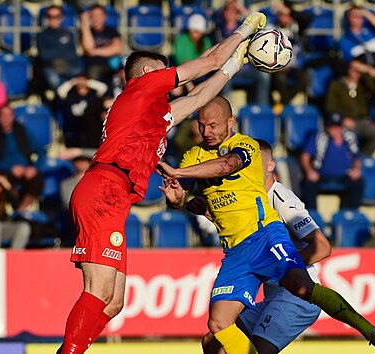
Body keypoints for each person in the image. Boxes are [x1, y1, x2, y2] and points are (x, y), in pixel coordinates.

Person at [56, 11, 268, 354]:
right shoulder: (141, 88)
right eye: (163, 70)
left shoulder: (152, 113)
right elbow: (208, 60)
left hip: (114, 195)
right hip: (104, 189)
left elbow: (200, 97)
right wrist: (244, 31)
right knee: (98, 292)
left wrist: (236, 64)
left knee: (113, 303)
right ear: (145, 74)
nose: (170, 77)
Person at [158, 96, 375, 354]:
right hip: (237, 253)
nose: (206, 131)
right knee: (215, 332)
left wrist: (281, 265)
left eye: (213, 125)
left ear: (231, 122)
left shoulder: (247, 148)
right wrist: (178, 199)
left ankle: (370, 331)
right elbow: (183, 194)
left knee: (301, 288)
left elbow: (226, 165)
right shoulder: (193, 156)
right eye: (201, 126)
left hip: (266, 241)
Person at [198, 138, 331, 354]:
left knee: (258, 351)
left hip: (295, 297)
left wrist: (281, 267)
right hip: (273, 297)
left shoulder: (282, 200)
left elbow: (323, 247)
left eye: (257, 162)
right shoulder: (247, 197)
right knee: (213, 342)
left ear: (271, 166)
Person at [0, 104, 45, 211]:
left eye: (9, 115)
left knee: (37, 180)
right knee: (5, 185)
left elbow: (40, 149)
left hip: (25, 170)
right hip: (4, 171)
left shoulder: (22, 131)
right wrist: (10, 168)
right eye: (3, 115)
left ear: (13, 117)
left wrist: (34, 167)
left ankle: (20, 210)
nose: (6, 118)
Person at [300, 112, 365, 210]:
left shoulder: (350, 138)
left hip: (345, 175)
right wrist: (309, 171)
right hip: (321, 175)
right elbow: (305, 156)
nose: (335, 130)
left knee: (358, 182)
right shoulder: (318, 137)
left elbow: (357, 158)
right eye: (332, 127)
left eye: (337, 127)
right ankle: (312, 216)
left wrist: (356, 169)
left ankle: (349, 214)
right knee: (308, 183)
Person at [325, 60, 375, 156]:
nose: (356, 73)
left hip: (362, 121)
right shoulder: (337, 85)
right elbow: (330, 107)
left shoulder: (363, 86)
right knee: (345, 138)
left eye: (359, 71)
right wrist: (342, 119)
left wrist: (366, 69)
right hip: (343, 121)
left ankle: (361, 159)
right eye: (354, 70)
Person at [36, 5, 82, 92]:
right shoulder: (41, 35)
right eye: (50, 16)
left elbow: (72, 55)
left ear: (62, 17)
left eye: (57, 16)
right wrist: (62, 49)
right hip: (50, 67)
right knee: (54, 80)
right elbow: (44, 56)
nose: (53, 19)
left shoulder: (69, 34)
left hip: (68, 66)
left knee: (81, 77)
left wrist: (55, 52)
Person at [57, 73, 108, 148]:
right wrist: (72, 82)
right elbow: (60, 92)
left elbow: (103, 87)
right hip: (74, 131)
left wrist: (88, 82)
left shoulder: (93, 94)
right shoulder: (71, 95)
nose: (81, 82)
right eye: (79, 80)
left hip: (92, 131)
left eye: (83, 80)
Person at [80, 4, 123, 84]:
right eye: (93, 15)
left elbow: (117, 49)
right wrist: (85, 26)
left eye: (99, 15)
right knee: (94, 73)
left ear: (105, 16)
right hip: (93, 65)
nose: (96, 18)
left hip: (111, 64)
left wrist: (94, 51)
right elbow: (88, 48)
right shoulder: (86, 32)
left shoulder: (112, 31)